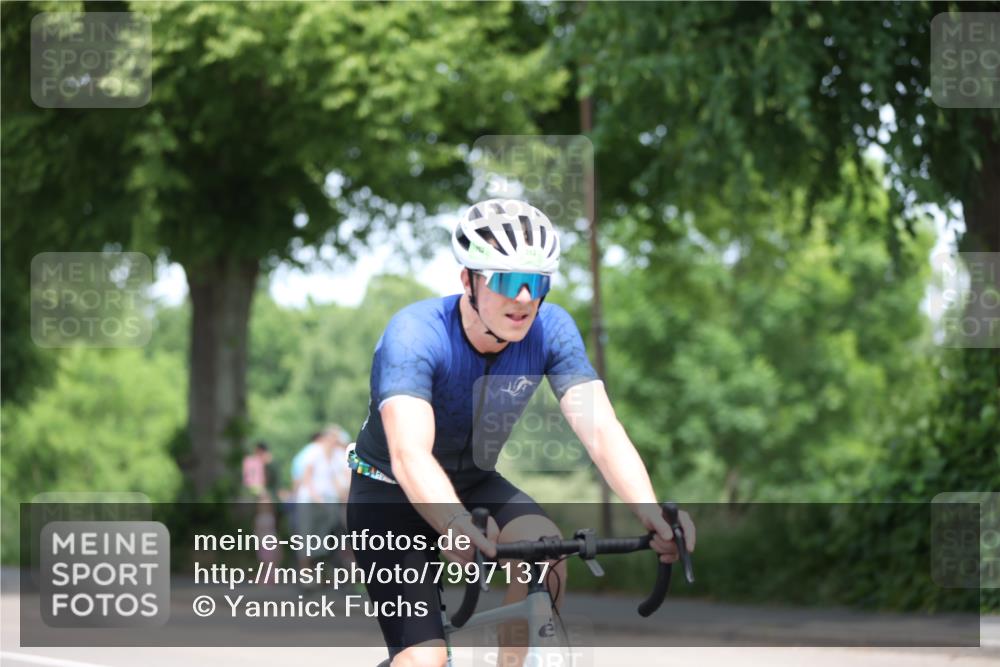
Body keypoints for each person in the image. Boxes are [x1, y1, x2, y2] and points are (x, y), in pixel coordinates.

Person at [347, 199, 696, 667]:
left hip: (475, 482)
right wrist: (453, 524)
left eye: (538, 282)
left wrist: (650, 510)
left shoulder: (551, 329)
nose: (526, 298)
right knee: (426, 659)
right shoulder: (415, 334)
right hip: (389, 495)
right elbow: (410, 455)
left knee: (545, 551)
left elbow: (600, 429)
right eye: (509, 281)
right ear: (467, 280)